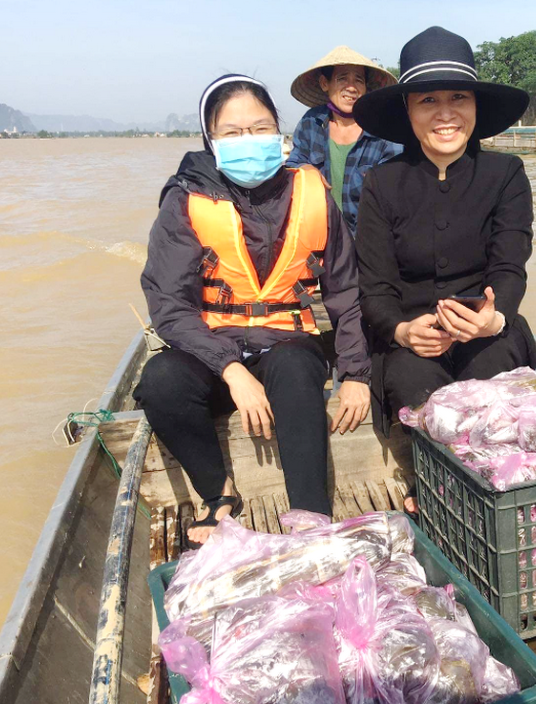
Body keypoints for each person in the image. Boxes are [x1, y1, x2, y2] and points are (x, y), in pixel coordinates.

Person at [134, 74, 370, 547]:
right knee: (160, 381)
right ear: (211, 139)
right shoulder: (186, 199)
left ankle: (311, 515)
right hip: (212, 352)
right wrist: (231, 370)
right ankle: (219, 495)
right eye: (233, 133)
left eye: (261, 128)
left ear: (279, 131)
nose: (250, 141)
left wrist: (357, 373)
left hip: (287, 342)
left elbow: (345, 292)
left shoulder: (310, 191)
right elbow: (169, 306)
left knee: (296, 367)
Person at [352, 26, 536, 436]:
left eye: (458, 97)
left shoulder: (506, 174)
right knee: (417, 392)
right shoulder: (381, 184)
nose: (445, 113)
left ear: (475, 106)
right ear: (407, 110)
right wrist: (401, 331)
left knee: (492, 382)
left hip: (487, 327)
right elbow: (376, 287)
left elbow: (510, 266)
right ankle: (433, 485)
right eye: (428, 100)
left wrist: (495, 317)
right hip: (413, 332)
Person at [287, 47, 403, 235]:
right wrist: (305, 170)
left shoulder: (383, 129)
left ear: (366, 87)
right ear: (325, 83)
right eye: (342, 79)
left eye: (358, 80)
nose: (351, 87)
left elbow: (395, 185)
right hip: (320, 239)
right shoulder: (311, 123)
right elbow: (293, 163)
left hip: (369, 239)